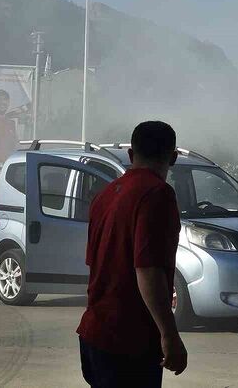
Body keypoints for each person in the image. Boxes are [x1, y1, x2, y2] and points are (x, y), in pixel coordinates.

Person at [77, 121, 187, 386]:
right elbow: (147, 269)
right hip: (129, 342)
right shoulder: (157, 194)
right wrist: (169, 334)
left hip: (94, 336)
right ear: (172, 158)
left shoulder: (105, 195)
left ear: (130, 155)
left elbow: (94, 263)